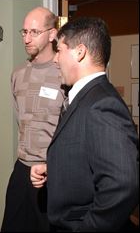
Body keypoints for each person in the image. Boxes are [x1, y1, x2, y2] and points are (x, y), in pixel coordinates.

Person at [35, 17, 139, 231]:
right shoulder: (85, 97)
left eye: (60, 50)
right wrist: (53, 169)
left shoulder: (102, 104)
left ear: (79, 52)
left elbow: (123, 185)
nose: (55, 59)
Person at [1, 7, 66, 232]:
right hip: (21, 171)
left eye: (34, 32)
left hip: (52, 175)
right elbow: (21, 120)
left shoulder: (64, 75)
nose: (27, 39)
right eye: (24, 32)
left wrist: (52, 165)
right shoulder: (17, 76)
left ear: (52, 34)